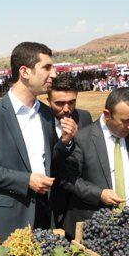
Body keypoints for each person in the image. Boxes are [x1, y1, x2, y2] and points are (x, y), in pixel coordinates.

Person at [0, 41, 73, 240]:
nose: (53, 74)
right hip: (6, 218)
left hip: (43, 214)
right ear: (24, 72)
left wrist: (66, 142)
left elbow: (51, 159)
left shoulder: (46, 113)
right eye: (46, 68)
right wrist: (26, 180)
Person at [61, 88, 129, 238]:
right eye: (126, 121)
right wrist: (99, 194)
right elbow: (70, 180)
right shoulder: (82, 138)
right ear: (107, 115)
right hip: (93, 227)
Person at [46, 73, 92, 228]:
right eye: (59, 103)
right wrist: (64, 142)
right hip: (51, 196)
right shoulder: (41, 120)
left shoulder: (84, 117)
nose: (66, 109)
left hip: (79, 196)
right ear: (48, 101)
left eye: (72, 102)